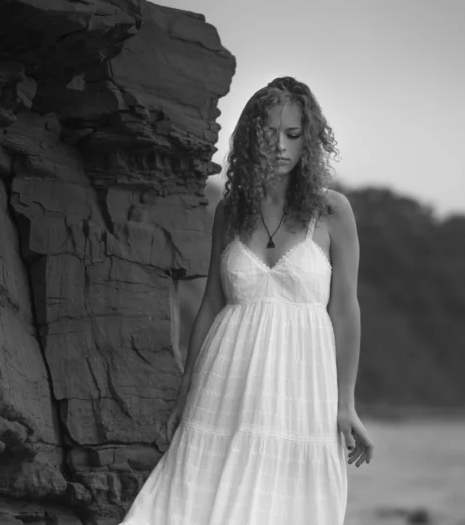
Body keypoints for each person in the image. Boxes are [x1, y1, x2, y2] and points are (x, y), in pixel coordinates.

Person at [121, 76, 374, 524]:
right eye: (268, 133)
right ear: (251, 138)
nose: (280, 146)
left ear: (308, 141)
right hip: (225, 383)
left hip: (303, 388)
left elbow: (345, 310)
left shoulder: (332, 210)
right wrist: (184, 392)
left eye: (293, 135)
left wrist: (346, 402)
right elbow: (213, 305)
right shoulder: (232, 209)